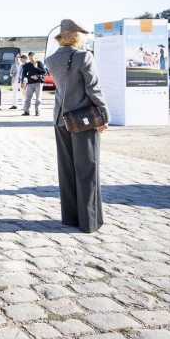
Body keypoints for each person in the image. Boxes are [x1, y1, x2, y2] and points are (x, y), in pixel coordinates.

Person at [46, 19, 108, 233]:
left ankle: (70, 218)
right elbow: (93, 88)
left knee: (67, 170)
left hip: (60, 119)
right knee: (87, 169)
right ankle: (89, 222)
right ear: (77, 36)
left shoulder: (51, 59)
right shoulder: (84, 56)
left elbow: (60, 91)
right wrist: (104, 115)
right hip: (83, 119)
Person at [21, 52, 45, 116]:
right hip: (30, 83)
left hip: (38, 82)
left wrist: (36, 68)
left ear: (34, 56)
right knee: (28, 98)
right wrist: (30, 76)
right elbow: (24, 74)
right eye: (29, 56)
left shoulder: (39, 63)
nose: (31, 57)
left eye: (32, 56)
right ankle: (26, 111)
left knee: (38, 98)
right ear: (28, 57)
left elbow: (44, 72)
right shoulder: (27, 65)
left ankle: (37, 111)